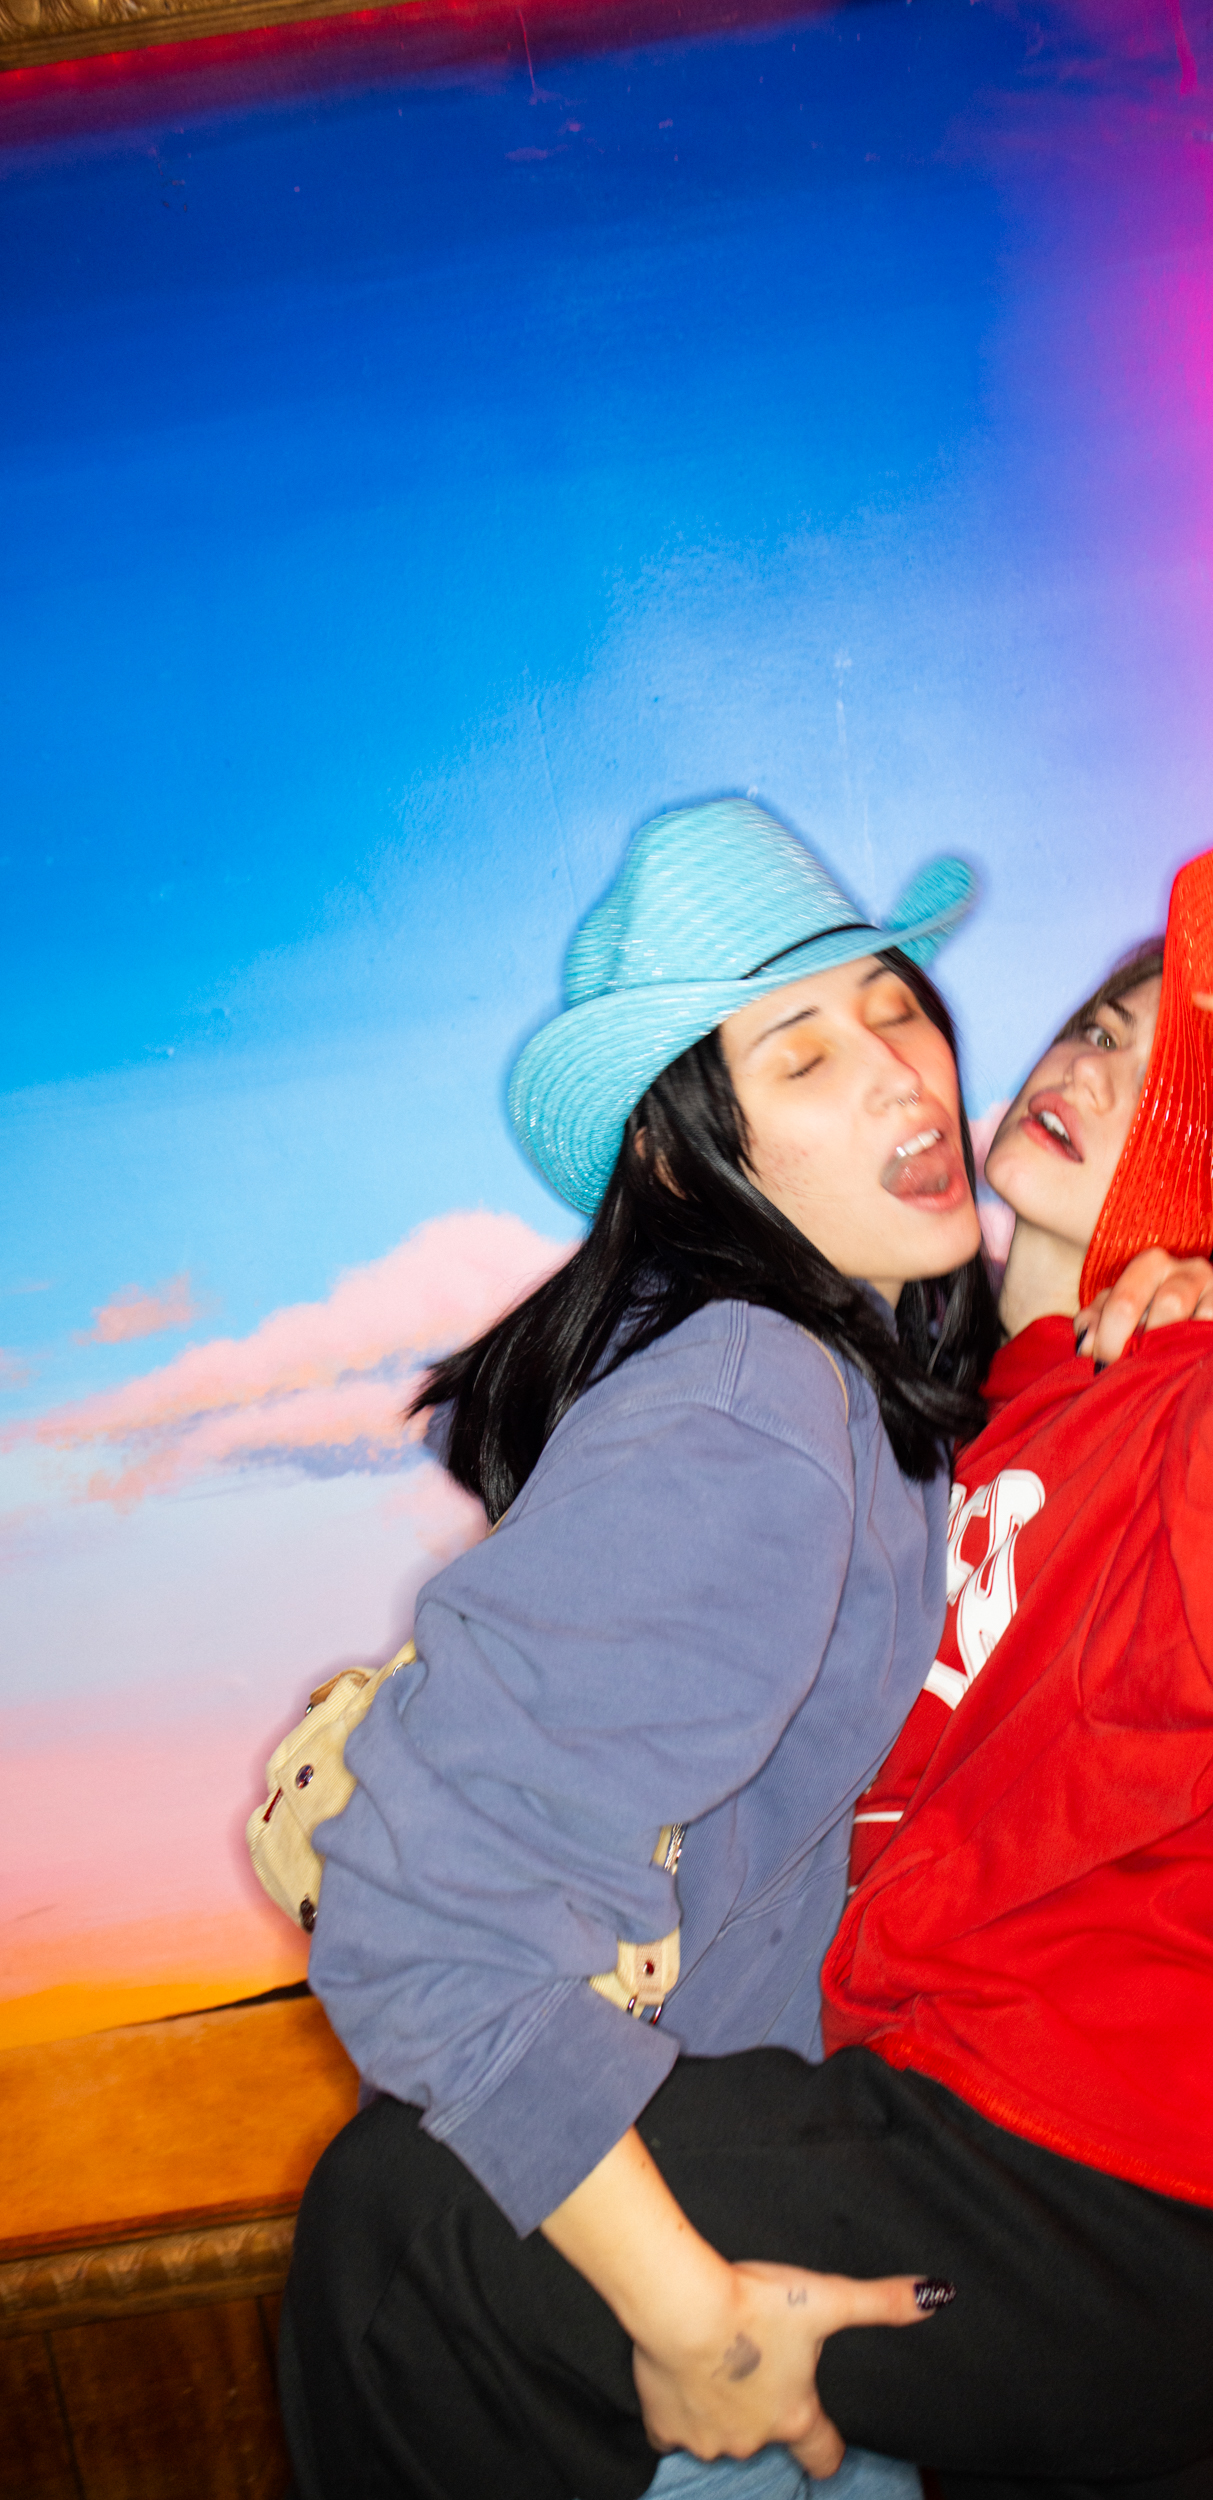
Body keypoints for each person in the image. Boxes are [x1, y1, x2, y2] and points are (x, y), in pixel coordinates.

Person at [283, 831, 1213, 2500]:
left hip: (1097, 2187)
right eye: (1096, 1026)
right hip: (1001, 2210)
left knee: (408, 2236)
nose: (1086, 1060)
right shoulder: (942, 1438)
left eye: (1176, 1087)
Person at [293, 795, 1001, 2500]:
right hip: (653, 2300)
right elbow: (421, 1914)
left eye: (894, 1007)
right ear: (689, 1164)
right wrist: (696, 2318)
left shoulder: (831, 1384)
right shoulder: (754, 1406)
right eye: (802, 1055)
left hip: (699, 2209)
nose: (900, 1074)